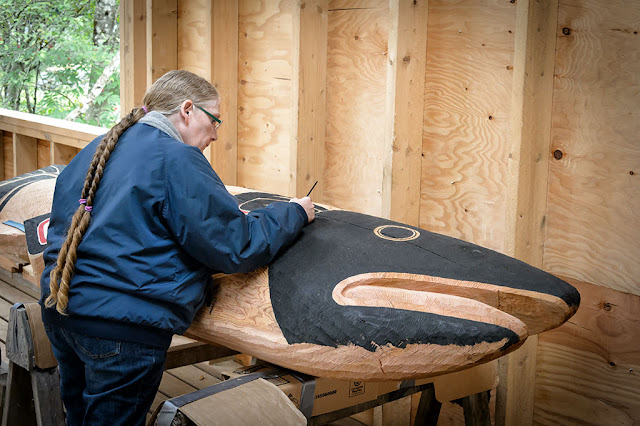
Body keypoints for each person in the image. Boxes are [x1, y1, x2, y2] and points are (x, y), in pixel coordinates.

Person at [39, 70, 315, 426]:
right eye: (214, 119)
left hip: (62, 311)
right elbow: (236, 247)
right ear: (187, 110)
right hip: (120, 329)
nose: (215, 134)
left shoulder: (98, 150)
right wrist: (294, 212)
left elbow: (127, 221)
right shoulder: (176, 158)